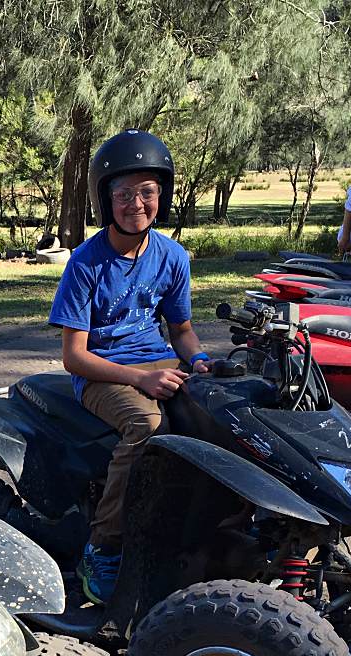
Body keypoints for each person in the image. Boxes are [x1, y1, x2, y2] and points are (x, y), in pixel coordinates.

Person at [48, 130, 211, 606]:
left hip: (156, 359)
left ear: (162, 196)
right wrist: (141, 378)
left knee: (221, 416)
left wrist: (199, 361)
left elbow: (180, 331)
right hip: (101, 371)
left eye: (146, 192)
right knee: (148, 422)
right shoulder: (85, 263)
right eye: (123, 194)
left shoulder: (173, 256)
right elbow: (73, 355)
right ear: (106, 199)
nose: (135, 203)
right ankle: (102, 546)